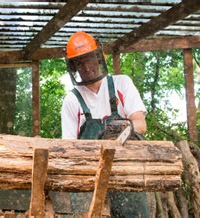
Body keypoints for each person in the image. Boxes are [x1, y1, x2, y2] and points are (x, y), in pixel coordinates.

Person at [61, 31, 150, 217]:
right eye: (79, 62)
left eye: (89, 59)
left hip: (125, 167)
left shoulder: (121, 84)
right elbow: (68, 147)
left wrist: (120, 130)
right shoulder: (72, 100)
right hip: (88, 171)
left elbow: (140, 124)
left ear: (98, 57)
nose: (86, 67)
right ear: (73, 67)